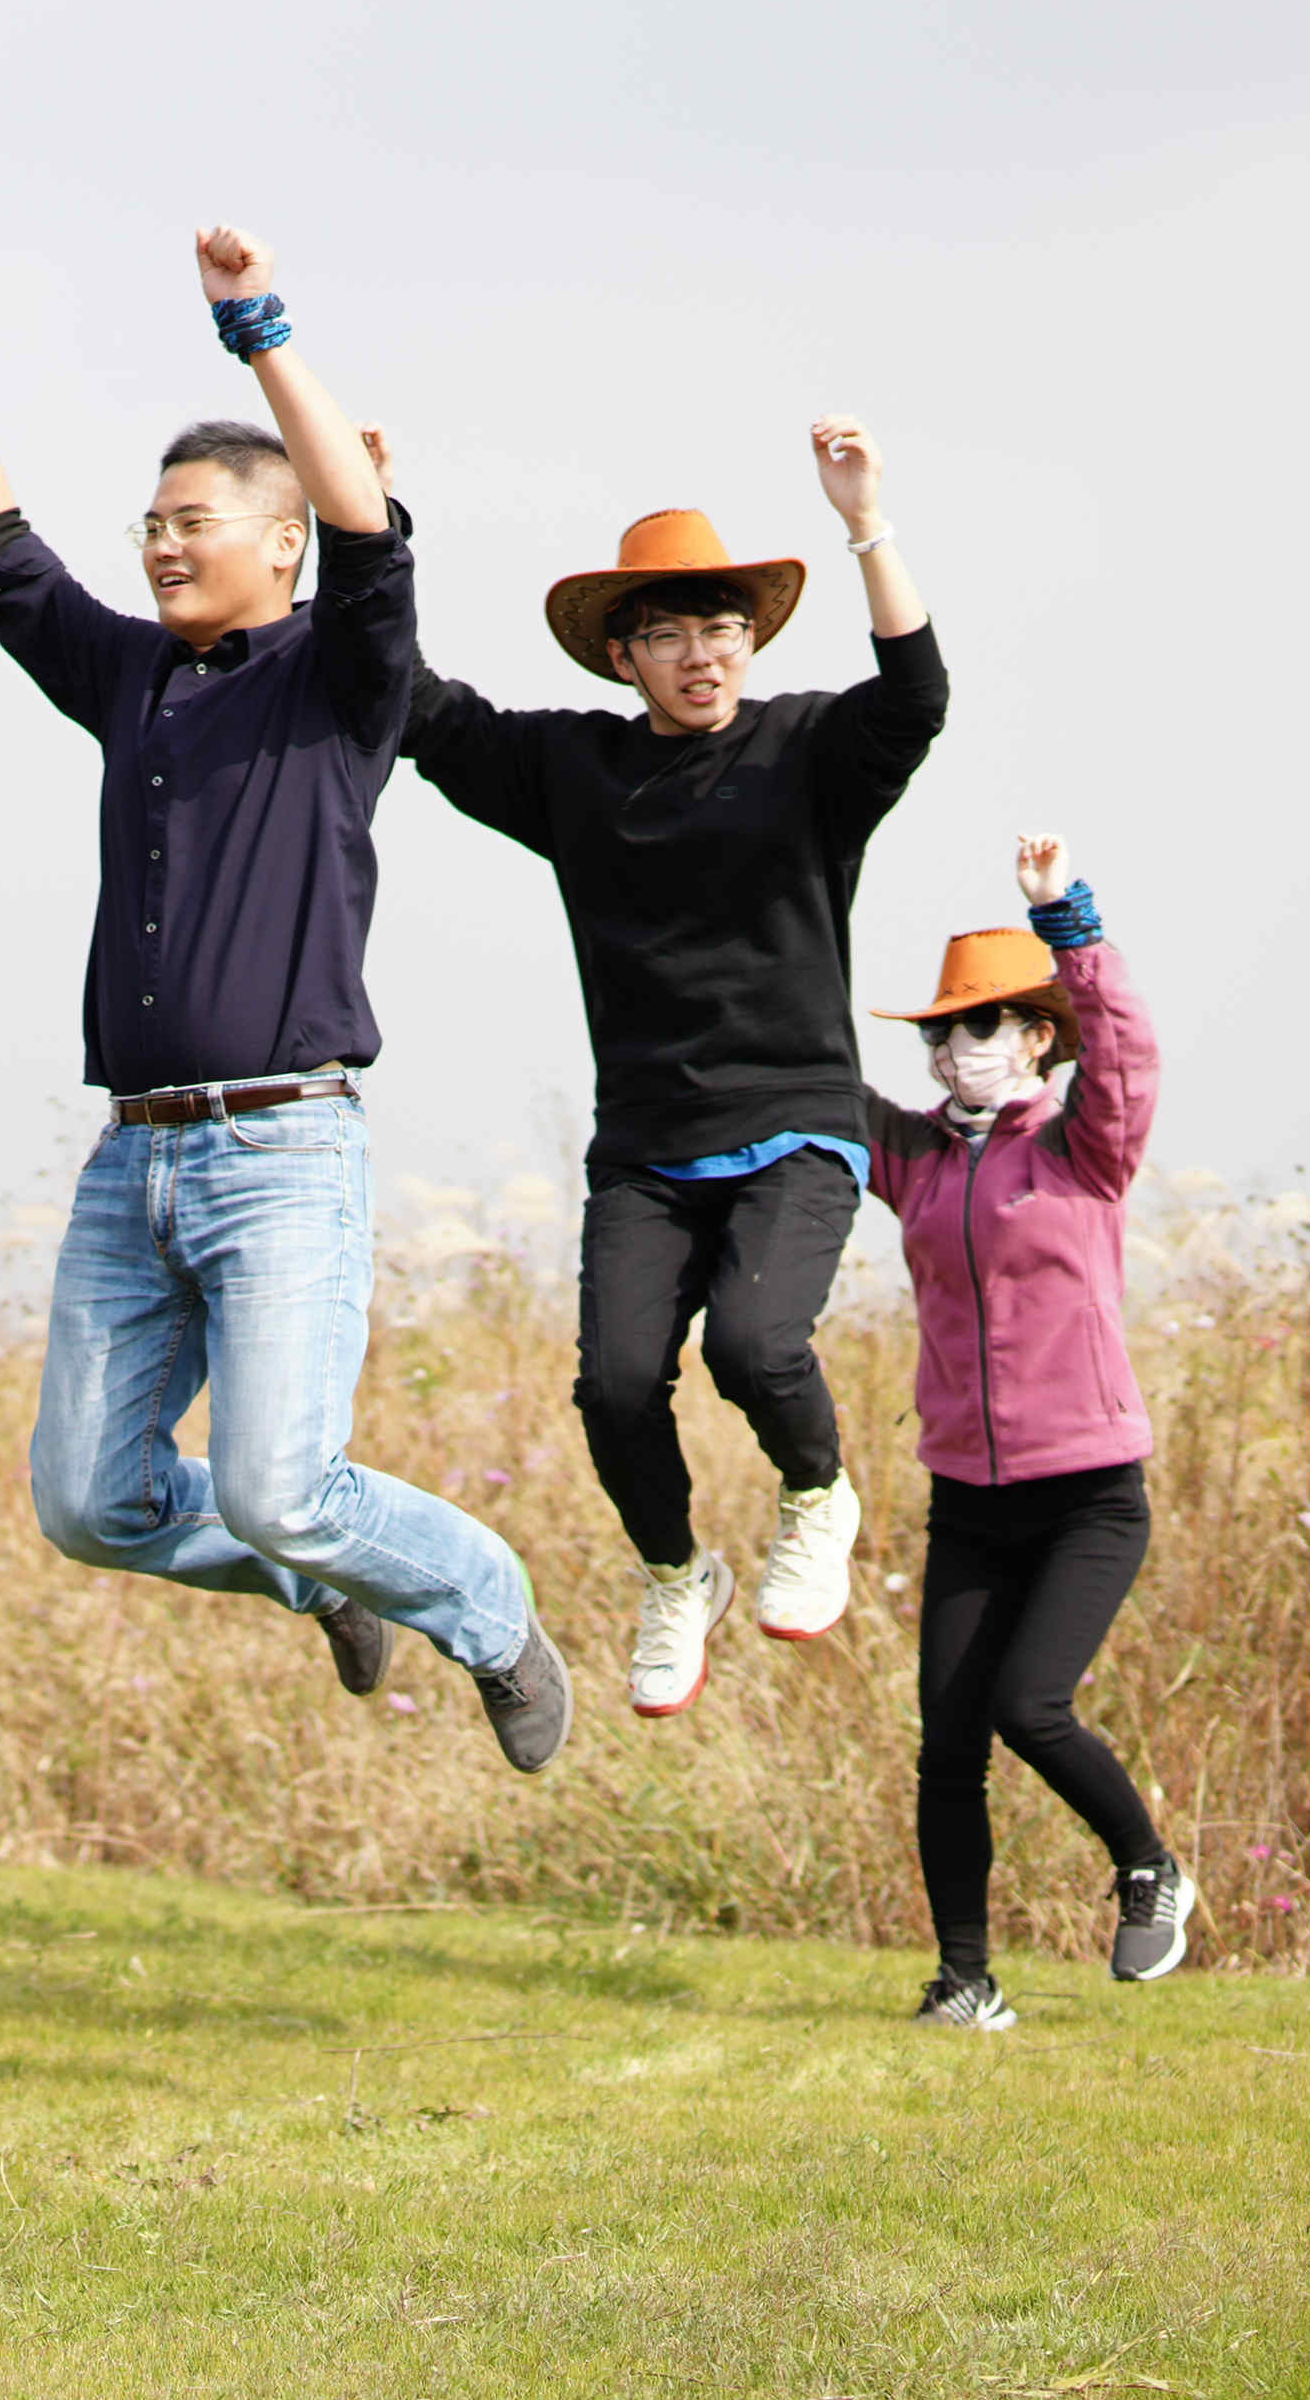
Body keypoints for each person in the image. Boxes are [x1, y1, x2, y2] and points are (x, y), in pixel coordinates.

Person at [0, 229, 569, 1773]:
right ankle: (309, 1577)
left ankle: (481, 1609)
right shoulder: (127, 680)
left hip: (281, 1153)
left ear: (275, 545)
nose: (156, 545)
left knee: (285, 1477)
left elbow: (366, 527)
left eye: (191, 521)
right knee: (91, 1504)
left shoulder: (342, 683)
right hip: (128, 1156)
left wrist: (257, 331)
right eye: (145, 524)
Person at [399, 424, 946, 1718]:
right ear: (620, 654)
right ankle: (672, 1570)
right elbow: (419, 709)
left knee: (757, 1348)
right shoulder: (573, 771)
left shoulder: (810, 749)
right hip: (644, 1143)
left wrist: (863, 522)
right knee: (609, 1384)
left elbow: (915, 697)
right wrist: (374, 520)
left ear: (747, 644)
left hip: (796, 1119)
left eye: (721, 630)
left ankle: (816, 1494)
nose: (701, 655)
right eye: (669, 635)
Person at [862, 837, 1191, 2027]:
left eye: (985, 1028)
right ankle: (962, 1982)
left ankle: (1148, 1868)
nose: (958, 1052)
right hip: (967, 1499)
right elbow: (799, 1073)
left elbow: (1128, 1050)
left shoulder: (1077, 1148)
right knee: (943, 1741)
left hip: (1087, 1495)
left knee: (1026, 1706)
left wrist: (1066, 919)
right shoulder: (908, 1159)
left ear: (1035, 1037)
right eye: (942, 1034)